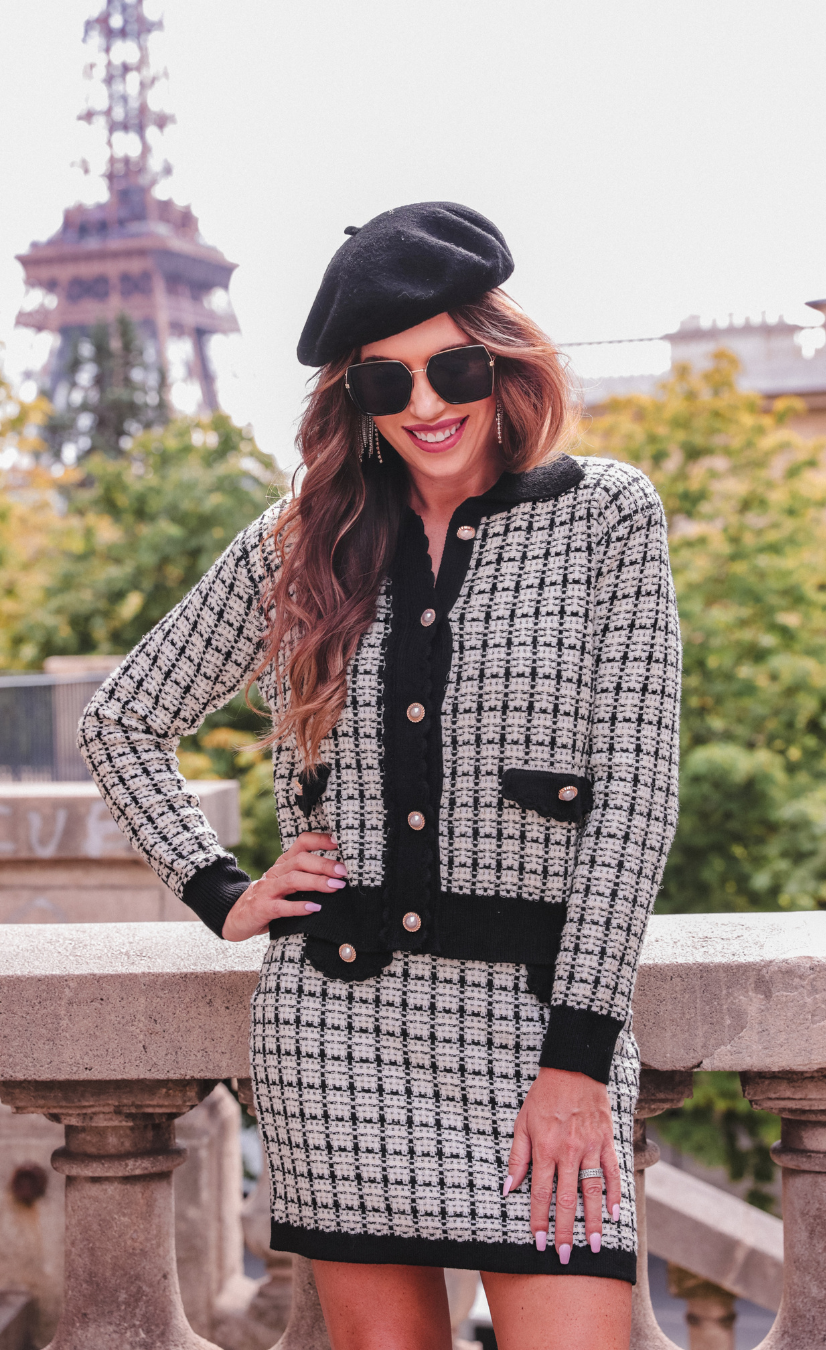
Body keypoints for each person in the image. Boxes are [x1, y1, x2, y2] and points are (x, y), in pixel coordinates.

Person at [80, 202, 681, 1350]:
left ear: (503, 363)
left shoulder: (606, 517)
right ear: (351, 400)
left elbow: (635, 807)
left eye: (452, 368)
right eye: (383, 382)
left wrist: (576, 1063)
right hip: (340, 1034)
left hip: (537, 1031)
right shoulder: (299, 539)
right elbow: (122, 722)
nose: (425, 404)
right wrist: (221, 889)